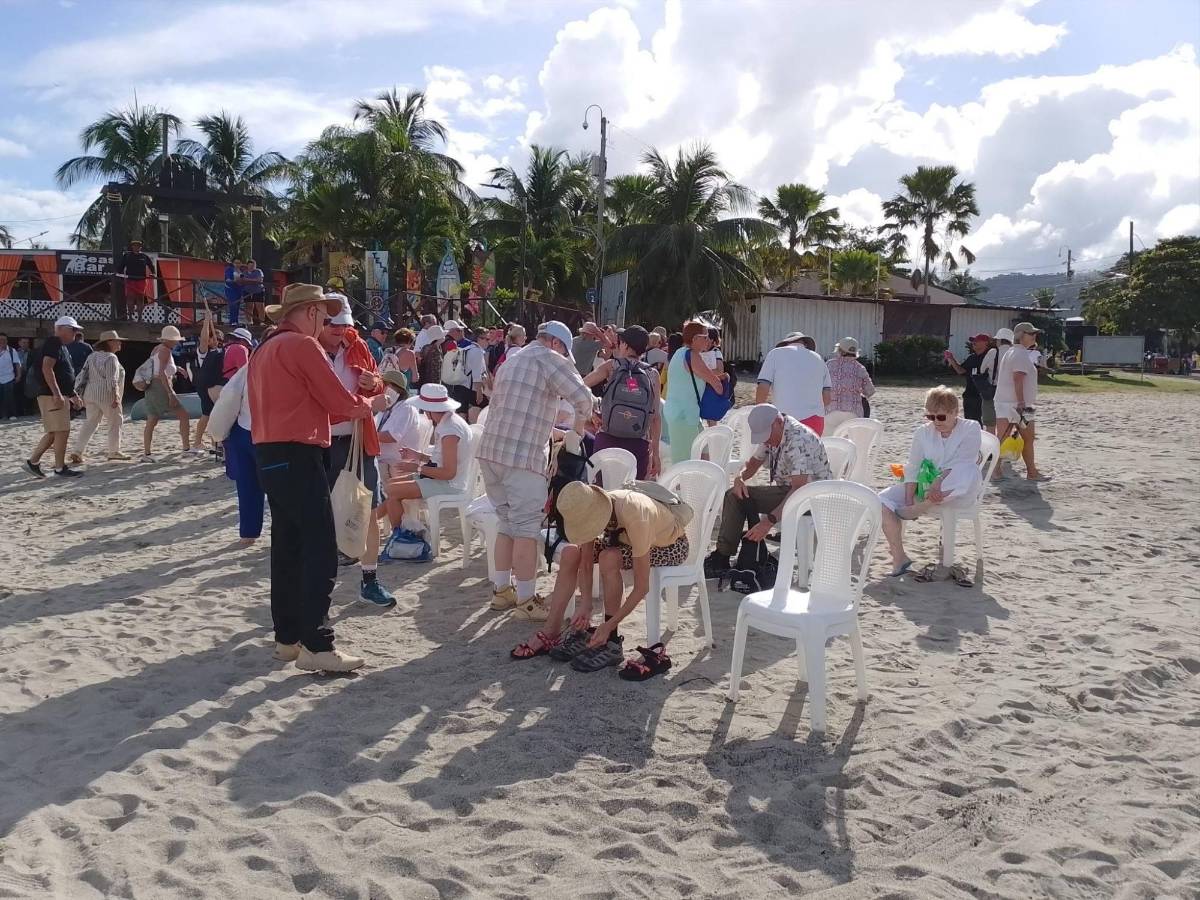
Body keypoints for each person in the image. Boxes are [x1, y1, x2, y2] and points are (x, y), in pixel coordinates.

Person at [249, 283, 377, 672]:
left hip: (269, 453)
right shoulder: (302, 346)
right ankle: (317, 644)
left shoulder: (264, 349)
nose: (327, 321)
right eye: (323, 314)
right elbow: (338, 402)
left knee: (287, 547)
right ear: (309, 313)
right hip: (298, 452)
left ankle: (287, 638)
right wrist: (372, 403)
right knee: (320, 547)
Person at [477, 320, 594, 619]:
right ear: (557, 344)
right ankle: (527, 600)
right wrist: (579, 429)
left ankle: (502, 591)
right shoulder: (549, 358)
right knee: (527, 529)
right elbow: (583, 397)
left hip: (491, 453)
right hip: (522, 457)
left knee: (505, 524)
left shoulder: (512, 359)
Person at [510, 480, 689, 672]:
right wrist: (585, 604)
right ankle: (551, 631)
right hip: (626, 539)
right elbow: (585, 563)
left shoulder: (636, 513)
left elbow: (641, 587)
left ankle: (611, 640)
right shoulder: (588, 507)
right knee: (571, 553)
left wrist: (609, 624)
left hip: (668, 545)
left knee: (608, 557)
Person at [318, 299, 395, 607]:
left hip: (358, 439)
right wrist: (364, 404)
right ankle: (320, 583)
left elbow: (379, 389)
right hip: (320, 442)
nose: (340, 331)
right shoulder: (308, 348)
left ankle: (370, 579)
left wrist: (373, 383)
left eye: (344, 325)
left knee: (369, 511)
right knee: (322, 514)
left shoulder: (357, 345)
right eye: (333, 325)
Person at [703, 404, 832, 576]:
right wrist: (740, 478)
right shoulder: (775, 431)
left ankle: (722, 557)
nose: (766, 440)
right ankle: (724, 555)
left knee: (736, 499)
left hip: (811, 497)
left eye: (767, 436)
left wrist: (768, 521)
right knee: (737, 494)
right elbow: (754, 462)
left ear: (777, 422)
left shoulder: (799, 440)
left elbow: (799, 489)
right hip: (790, 489)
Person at [879, 386, 983, 581]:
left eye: (941, 417)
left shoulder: (971, 428)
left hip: (956, 489)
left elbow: (963, 460)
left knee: (966, 470)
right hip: (925, 487)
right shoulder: (923, 432)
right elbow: (913, 465)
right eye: (930, 417)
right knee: (880, 501)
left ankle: (927, 504)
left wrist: (938, 483)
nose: (936, 422)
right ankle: (899, 557)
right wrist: (910, 499)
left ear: (955, 412)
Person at [383, 383, 473, 543]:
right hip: (445, 480)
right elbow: (441, 461)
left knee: (392, 491)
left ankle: (401, 538)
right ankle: (401, 532)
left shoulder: (450, 430)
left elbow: (448, 472)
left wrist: (417, 467)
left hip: (449, 484)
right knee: (391, 487)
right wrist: (417, 455)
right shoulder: (450, 423)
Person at [585, 325, 661, 479]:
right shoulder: (652, 374)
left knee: (602, 494)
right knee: (631, 497)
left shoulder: (611, 366)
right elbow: (655, 417)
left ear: (625, 345)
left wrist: (591, 412)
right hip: (638, 445)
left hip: (607, 440)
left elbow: (580, 386)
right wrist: (656, 454)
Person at [24, 316, 84, 478]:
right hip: (50, 394)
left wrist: (72, 394)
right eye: (73, 330)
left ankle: (33, 462)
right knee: (61, 431)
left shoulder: (60, 346)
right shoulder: (53, 343)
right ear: (61, 329)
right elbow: (47, 368)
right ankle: (59, 468)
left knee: (55, 432)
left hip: (55, 394)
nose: (75, 333)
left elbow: (62, 373)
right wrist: (57, 393)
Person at [661, 321, 724, 465]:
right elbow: (716, 384)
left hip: (683, 414)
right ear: (695, 339)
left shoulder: (679, 353)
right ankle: (686, 487)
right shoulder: (692, 356)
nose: (708, 340)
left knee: (702, 455)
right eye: (705, 337)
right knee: (686, 461)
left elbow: (696, 377)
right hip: (684, 416)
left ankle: (700, 485)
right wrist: (722, 382)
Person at [993, 322, 1045, 481]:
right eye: (1031, 334)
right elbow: (1018, 379)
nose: (1034, 336)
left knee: (1002, 438)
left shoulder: (1011, 352)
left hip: (1004, 402)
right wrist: (1022, 403)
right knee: (1028, 438)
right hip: (1019, 406)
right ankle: (1032, 472)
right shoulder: (1021, 354)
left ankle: (996, 472)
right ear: (1021, 335)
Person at [756, 331, 832, 435]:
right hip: (815, 423)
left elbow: (763, 386)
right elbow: (827, 399)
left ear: (786, 344)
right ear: (805, 344)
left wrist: (760, 414)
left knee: (776, 451)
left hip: (784, 421)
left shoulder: (775, 354)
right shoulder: (819, 359)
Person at [68, 330, 127, 463]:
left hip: (90, 392)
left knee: (91, 422)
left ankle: (78, 450)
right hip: (105, 392)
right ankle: (114, 451)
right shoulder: (111, 358)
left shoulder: (92, 356)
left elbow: (83, 374)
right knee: (115, 420)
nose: (120, 343)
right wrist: (116, 396)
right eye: (117, 340)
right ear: (110, 342)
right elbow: (112, 380)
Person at [141, 325, 199, 461]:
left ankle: (147, 453)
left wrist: (177, 368)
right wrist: (170, 393)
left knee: (152, 419)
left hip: (151, 387)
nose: (176, 342)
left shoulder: (157, 349)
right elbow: (162, 373)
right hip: (160, 386)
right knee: (183, 415)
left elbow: (158, 367)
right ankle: (186, 449)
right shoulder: (165, 351)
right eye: (175, 340)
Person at [374, 370, 423, 528]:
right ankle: (366, 523)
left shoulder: (406, 408)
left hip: (397, 463)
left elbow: (391, 436)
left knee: (364, 481)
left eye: (384, 385)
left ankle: (367, 524)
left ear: (393, 388)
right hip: (384, 459)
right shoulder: (386, 409)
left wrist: (367, 435)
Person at [824, 337, 876, 432]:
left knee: (829, 441)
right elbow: (870, 391)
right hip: (853, 413)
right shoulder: (859, 368)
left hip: (830, 411)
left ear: (839, 350)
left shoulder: (829, 364)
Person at [945, 333, 997, 427]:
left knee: (984, 423)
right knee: (969, 423)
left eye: (977, 341)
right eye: (973, 341)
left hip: (985, 395)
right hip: (970, 395)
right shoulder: (972, 357)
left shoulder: (991, 357)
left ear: (985, 343)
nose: (973, 343)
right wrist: (951, 359)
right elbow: (961, 371)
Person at [117, 239, 155, 321]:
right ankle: (130, 317)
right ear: (132, 247)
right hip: (130, 280)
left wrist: (153, 273)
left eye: (138, 246)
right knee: (130, 298)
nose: (136, 247)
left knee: (140, 298)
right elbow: (121, 266)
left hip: (141, 280)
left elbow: (151, 265)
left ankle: (140, 318)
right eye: (134, 246)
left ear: (140, 247)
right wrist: (118, 275)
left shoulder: (144, 256)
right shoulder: (127, 256)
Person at [463, 327, 491, 424]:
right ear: (479, 339)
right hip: (473, 388)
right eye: (486, 339)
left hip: (464, 386)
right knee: (488, 409)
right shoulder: (477, 352)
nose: (488, 342)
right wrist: (479, 392)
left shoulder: (468, 349)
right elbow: (476, 374)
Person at [0, 332, 21, 420]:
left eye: (4, 340)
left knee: (10, 397)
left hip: (9, 377)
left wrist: (19, 376)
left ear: (7, 341)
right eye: (0, 340)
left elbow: (17, 364)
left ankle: (12, 414)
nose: (2, 341)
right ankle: (2, 415)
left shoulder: (12, 351)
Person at [240, 259, 265, 325]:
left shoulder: (258, 271)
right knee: (249, 306)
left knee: (260, 307)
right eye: (250, 265)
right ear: (247, 265)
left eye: (253, 265)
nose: (251, 267)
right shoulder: (244, 272)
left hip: (258, 291)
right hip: (247, 291)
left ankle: (262, 322)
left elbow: (259, 280)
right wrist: (254, 280)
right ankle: (249, 322)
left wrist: (248, 280)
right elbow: (242, 280)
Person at [223, 258, 244, 325]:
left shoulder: (241, 270)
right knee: (233, 304)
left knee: (237, 305)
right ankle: (232, 321)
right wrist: (234, 281)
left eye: (239, 263)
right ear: (233, 263)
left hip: (239, 289)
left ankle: (236, 321)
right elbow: (227, 279)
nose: (237, 264)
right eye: (236, 263)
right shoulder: (229, 269)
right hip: (231, 289)